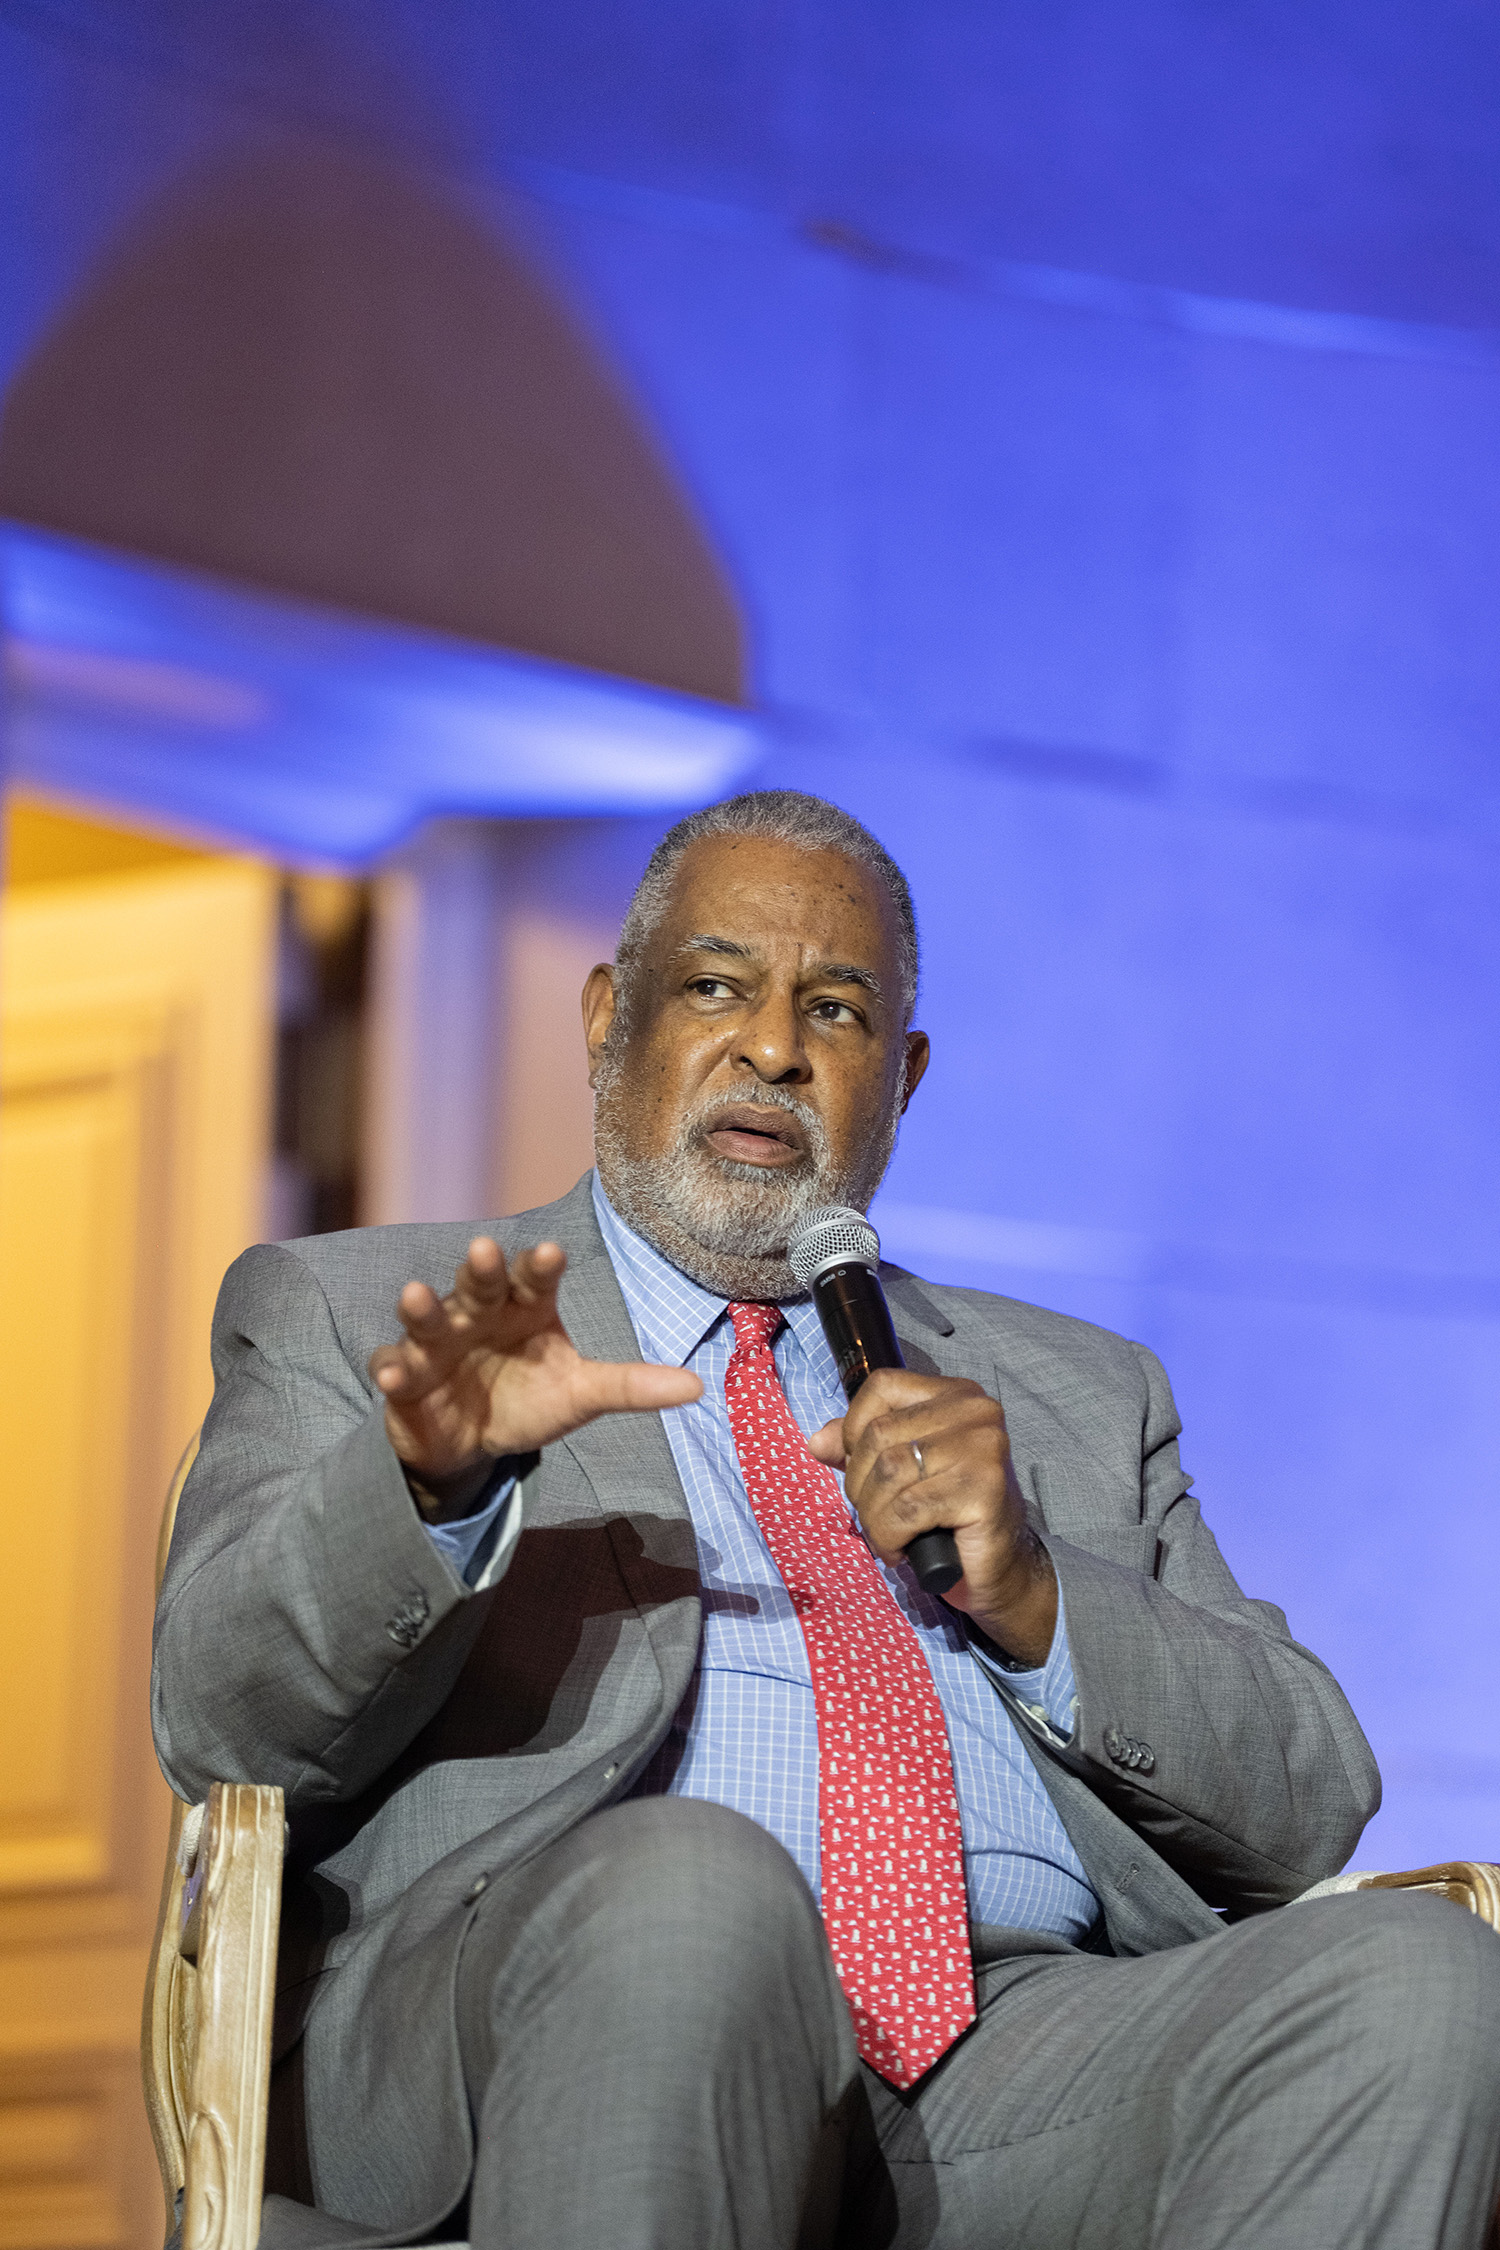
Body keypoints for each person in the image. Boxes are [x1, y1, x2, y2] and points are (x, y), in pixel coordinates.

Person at [153, 790, 1500, 2250]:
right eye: (715, 986)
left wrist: (1036, 1592)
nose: (775, 1047)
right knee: (698, 1887)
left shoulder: (1080, 1393)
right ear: (607, 1018)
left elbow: (1309, 1799)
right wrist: (426, 1487)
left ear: (903, 1077)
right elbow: (222, 1724)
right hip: (579, 2003)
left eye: (838, 1011)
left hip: (1014, 2058)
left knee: (1418, 1978)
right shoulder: (366, 1313)